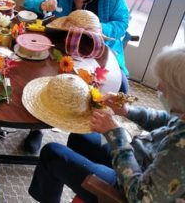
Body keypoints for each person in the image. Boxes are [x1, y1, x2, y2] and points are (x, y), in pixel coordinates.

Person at [28, 44, 185, 202]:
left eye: (164, 84)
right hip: (140, 159)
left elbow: (141, 198)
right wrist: (128, 111)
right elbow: (169, 120)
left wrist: (117, 136)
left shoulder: (180, 151)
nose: (158, 86)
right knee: (80, 137)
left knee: (52, 154)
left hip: (128, 186)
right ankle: (76, 185)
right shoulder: (182, 114)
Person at [23, 0, 130, 153]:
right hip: (61, 46)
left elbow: (121, 23)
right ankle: (36, 127)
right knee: (37, 77)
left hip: (98, 50)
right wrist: (43, 4)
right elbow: (29, 1)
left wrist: (95, 27)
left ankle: (83, 132)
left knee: (115, 89)